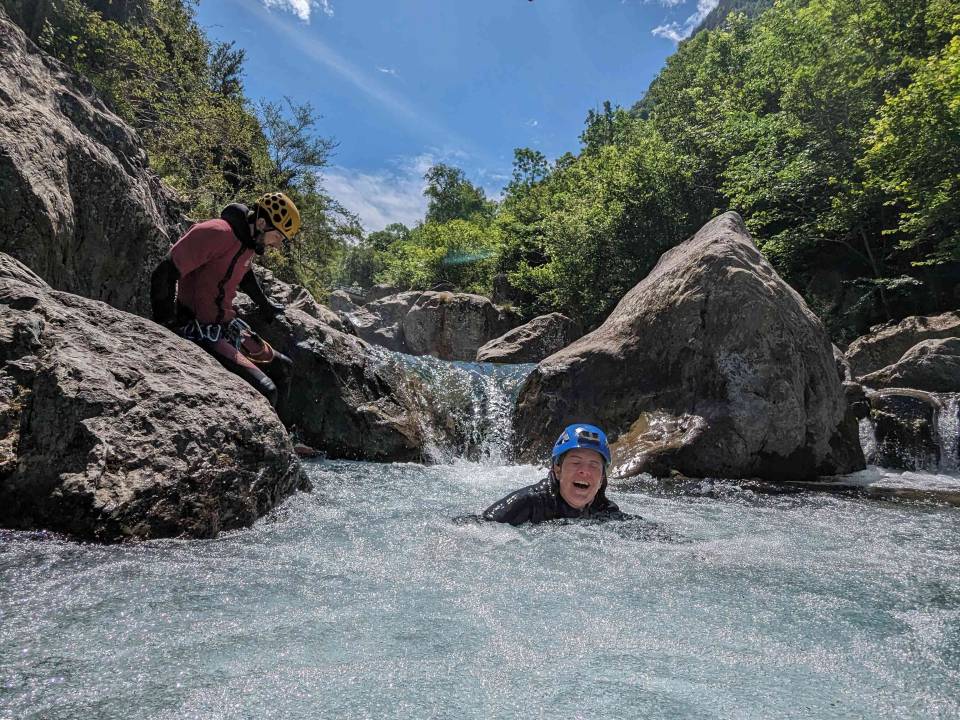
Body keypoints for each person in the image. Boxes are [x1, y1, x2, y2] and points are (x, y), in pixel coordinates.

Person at [150, 192, 299, 409]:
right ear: (261, 222)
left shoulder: (247, 243)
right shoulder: (215, 232)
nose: (276, 245)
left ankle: (288, 440)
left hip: (226, 326)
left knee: (285, 368)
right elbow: (164, 273)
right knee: (267, 390)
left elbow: (244, 274)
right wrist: (166, 326)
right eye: (277, 237)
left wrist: (265, 306)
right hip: (198, 328)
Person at [483, 423, 627, 525]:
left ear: (602, 478)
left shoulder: (605, 511)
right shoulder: (529, 502)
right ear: (557, 470)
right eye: (576, 463)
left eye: (594, 465)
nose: (585, 471)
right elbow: (479, 526)